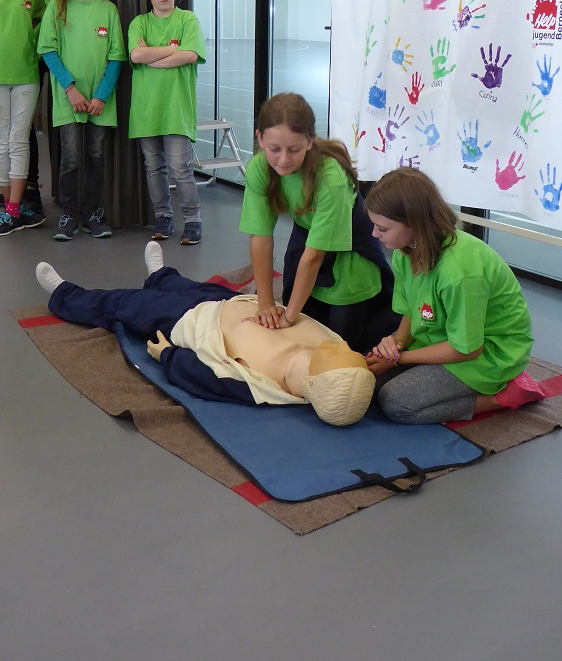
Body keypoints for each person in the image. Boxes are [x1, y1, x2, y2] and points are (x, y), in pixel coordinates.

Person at [35, 242, 376, 426]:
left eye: (347, 359)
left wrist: (168, 355)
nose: (350, 350)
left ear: (319, 379)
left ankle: (65, 295)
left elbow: (204, 379)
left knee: (124, 304)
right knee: (186, 286)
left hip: (190, 324)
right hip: (232, 303)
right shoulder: (329, 347)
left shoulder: (260, 389)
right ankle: (160, 275)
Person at [364, 167, 534, 424]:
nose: (374, 234)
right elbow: (411, 310)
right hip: (444, 337)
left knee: (396, 403)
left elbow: (467, 349)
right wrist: (394, 344)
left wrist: (399, 358)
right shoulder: (404, 251)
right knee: (369, 383)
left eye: (382, 229)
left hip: (489, 353)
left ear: (414, 224)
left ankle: (503, 396)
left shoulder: (459, 271)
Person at [239, 92, 399, 352]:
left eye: (294, 150)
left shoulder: (331, 179)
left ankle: (399, 317)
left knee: (341, 346)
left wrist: (289, 317)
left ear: (310, 141)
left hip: (351, 252)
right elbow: (261, 238)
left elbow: (314, 257)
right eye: (274, 149)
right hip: (307, 236)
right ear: (260, 138)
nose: (283, 159)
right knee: (304, 331)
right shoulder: (259, 168)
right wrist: (265, 303)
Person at [37, 0, 125, 240]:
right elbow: (48, 51)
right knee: (71, 159)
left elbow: (116, 57)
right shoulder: (57, 7)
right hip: (68, 100)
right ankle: (69, 215)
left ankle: (92, 214)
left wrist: (101, 95)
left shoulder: (108, 10)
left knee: (96, 158)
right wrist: (70, 90)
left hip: (101, 101)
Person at [128, 0, 206, 245]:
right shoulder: (139, 23)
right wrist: (171, 49)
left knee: (180, 167)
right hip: (146, 109)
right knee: (153, 167)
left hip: (177, 109)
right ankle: (163, 217)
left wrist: (154, 58)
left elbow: (191, 55)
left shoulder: (188, 20)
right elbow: (136, 55)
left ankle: (193, 221)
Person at [0, 0, 58, 218]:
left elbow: (49, 15)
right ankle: (6, 204)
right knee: (3, 139)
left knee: (20, 137)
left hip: (28, 68)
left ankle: (23, 200)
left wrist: (32, 46)